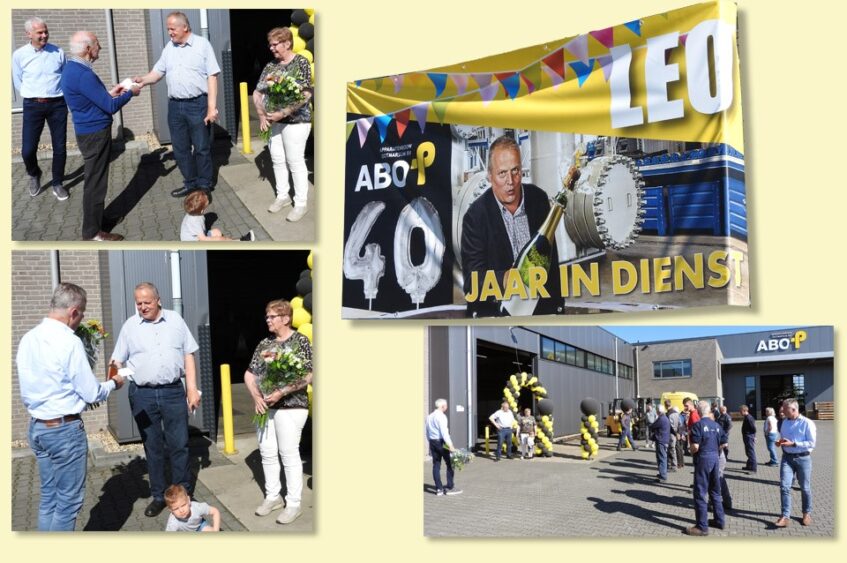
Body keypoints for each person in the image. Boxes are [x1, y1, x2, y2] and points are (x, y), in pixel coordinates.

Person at [16, 283, 124, 530]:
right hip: (63, 431)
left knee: (49, 499)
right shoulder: (69, 341)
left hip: (37, 427)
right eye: (83, 313)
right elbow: (90, 392)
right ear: (74, 311)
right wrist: (113, 383)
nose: (82, 318)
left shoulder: (29, 338)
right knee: (67, 504)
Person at [110, 282, 200, 518]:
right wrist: (113, 376)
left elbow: (188, 354)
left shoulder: (175, 321)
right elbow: (116, 360)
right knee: (153, 447)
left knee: (179, 445)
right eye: (138, 303)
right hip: (143, 395)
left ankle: (183, 494)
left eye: (147, 302)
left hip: (172, 392)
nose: (142, 307)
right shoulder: (130, 326)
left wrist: (192, 389)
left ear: (158, 300)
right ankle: (159, 496)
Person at [460, 135, 564, 317]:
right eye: (502, 173)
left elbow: (551, 262)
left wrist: (557, 309)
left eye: (515, 171)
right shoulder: (475, 217)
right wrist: (506, 279)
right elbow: (472, 281)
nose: (510, 181)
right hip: (497, 315)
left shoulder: (539, 200)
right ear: (490, 176)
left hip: (539, 311)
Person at [62, 31, 140, 241]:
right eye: (97, 44)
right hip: (95, 133)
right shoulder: (83, 74)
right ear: (88, 48)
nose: (101, 47)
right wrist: (130, 92)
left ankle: (97, 221)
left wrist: (113, 91)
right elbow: (110, 106)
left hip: (87, 131)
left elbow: (95, 99)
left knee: (94, 181)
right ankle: (93, 232)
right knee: (96, 184)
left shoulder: (72, 68)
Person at [133, 12, 220, 198]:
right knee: (180, 148)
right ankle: (190, 184)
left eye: (172, 29)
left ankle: (204, 186)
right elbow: (157, 73)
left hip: (198, 104)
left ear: (185, 27)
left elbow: (212, 76)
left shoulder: (202, 45)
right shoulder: (169, 48)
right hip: (175, 106)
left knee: (202, 148)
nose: (169, 32)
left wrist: (211, 107)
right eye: (168, 29)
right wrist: (142, 80)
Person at [244, 299, 313, 524]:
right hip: (266, 407)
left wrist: (282, 392)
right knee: (267, 453)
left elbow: (308, 375)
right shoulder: (265, 343)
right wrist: (256, 396)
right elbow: (249, 373)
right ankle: (272, 497)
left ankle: (293, 504)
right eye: (267, 316)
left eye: (272, 316)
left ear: (285, 318)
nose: (268, 320)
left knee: (288, 454)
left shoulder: (300, 341)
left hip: (292, 406)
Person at [253, 27, 313, 222]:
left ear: (287, 43)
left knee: (294, 161)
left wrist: (283, 112)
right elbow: (257, 92)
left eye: (275, 44)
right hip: (274, 122)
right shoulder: (271, 66)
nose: (271, 48)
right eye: (270, 44)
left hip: (297, 121)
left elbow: (305, 94)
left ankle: (301, 203)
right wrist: (262, 115)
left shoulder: (300, 62)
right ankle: (282, 196)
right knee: (277, 159)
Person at [13, 16, 68, 199]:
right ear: (28, 34)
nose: (44, 35)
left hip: (57, 105)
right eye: (40, 32)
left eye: (46, 31)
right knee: (27, 150)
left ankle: (57, 182)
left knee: (59, 147)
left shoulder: (58, 52)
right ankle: (34, 173)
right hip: (32, 105)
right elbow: (18, 80)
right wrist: (33, 94)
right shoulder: (19, 55)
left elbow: (65, 77)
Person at [685, 401, 727, 536]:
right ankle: (720, 520)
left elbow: (695, 447)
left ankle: (702, 527)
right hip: (715, 457)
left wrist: (690, 450)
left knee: (700, 492)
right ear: (709, 411)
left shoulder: (697, 426)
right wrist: (714, 450)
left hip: (703, 459)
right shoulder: (717, 425)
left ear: (698, 411)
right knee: (715, 491)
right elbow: (724, 443)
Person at [774, 398, 816, 528]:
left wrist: (794, 443)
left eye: (785, 409)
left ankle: (806, 513)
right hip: (787, 458)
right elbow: (785, 438)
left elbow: (811, 443)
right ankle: (785, 516)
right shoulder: (784, 422)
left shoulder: (807, 423)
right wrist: (780, 442)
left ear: (794, 409)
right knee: (784, 487)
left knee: (805, 488)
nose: (782, 411)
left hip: (803, 458)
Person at [180, 190, 254, 241]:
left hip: (195, 238)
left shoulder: (193, 212)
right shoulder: (196, 221)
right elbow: (203, 239)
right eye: (206, 207)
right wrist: (219, 239)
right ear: (202, 210)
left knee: (217, 232)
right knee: (220, 240)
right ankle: (241, 241)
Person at [425, 399, 462, 495]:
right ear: (442, 406)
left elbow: (427, 431)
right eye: (446, 405)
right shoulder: (441, 417)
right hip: (441, 442)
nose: (447, 407)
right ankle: (450, 486)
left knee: (436, 465)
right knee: (450, 464)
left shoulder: (429, 416)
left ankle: (439, 489)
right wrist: (451, 445)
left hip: (433, 442)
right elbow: (444, 433)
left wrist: (430, 442)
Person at [650, 404, 670, 481]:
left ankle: (663, 476)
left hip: (661, 440)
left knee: (661, 458)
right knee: (661, 457)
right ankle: (662, 473)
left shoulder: (661, 419)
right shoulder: (665, 418)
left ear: (658, 411)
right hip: (664, 440)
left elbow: (653, 426)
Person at [740, 404, 757, 473]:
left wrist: (752, 436)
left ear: (744, 410)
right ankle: (749, 466)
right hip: (747, 437)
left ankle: (753, 468)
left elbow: (753, 428)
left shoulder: (749, 418)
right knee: (748, 452)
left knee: (750, 452)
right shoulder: (746, 417)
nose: (740, 413)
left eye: (740, 411)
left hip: (749, 437)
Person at [667, 404, 683, 471]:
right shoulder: (678, 415)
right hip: (677, 433)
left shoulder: (669, 415)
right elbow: (680, 424)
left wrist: (676, 433)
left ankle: (674, 465)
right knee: (678, 449)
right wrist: (679, 433)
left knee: (672, 449)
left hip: (672, 434)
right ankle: (679, 463)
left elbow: (671, 426)